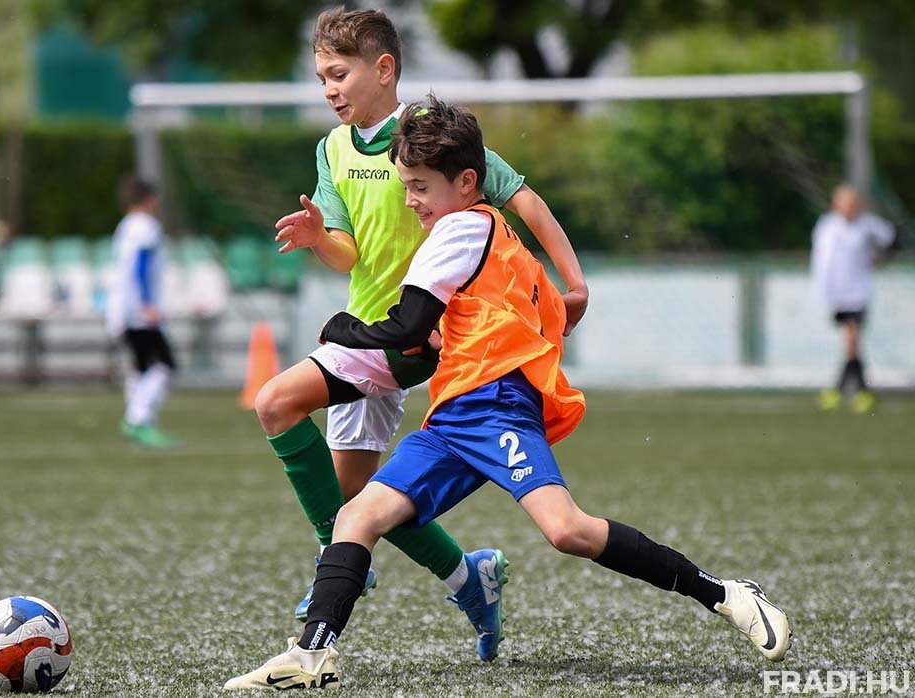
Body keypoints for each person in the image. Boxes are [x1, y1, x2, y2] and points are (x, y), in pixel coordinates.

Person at [225, 98, 791, 691]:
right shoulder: (494, 233)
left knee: (567, 531)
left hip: (497, 410)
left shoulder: (458, 230)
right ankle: (312, 654)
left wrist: (344, 328)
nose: (410, 200)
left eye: (420, 187)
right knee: (357, 515)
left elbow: (405, 327)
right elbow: (501, 318)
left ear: (467, 182)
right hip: (452, 419)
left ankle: (725, 594)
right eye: (407, 186)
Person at [256, 6, 588, 660]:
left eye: (338, 74)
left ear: (384, 69)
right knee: (362, 500)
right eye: (321, 78)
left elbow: (523, 198)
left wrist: (574, 283)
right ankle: (469, 577)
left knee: (276, 402)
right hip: (369, 330)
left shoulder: (429, 135)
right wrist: (319, 237)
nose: (328, 90)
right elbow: (347, 253)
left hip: (409, 337)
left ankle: (334, 554)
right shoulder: (331, 149)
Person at [105, 176, 181, 448]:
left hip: (121, 307)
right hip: (139, 310)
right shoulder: (147, 226)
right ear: (149, 199)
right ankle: (138, 419)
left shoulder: (125, 226)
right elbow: (141, 264)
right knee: (164, 365)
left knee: (141, 366)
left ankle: (137, 421)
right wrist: (147, 302)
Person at [810, 184, 895, 414]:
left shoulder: (866, 224)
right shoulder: (827, 227)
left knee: (852, 339)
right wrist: (823, 292)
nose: (849, 209)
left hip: (859, 293)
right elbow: (821, 262)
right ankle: (855, 389)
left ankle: (844, 390)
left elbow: (890, 236)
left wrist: (879, 259)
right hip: (838, 293)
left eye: (852, 204)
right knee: (851, 342)